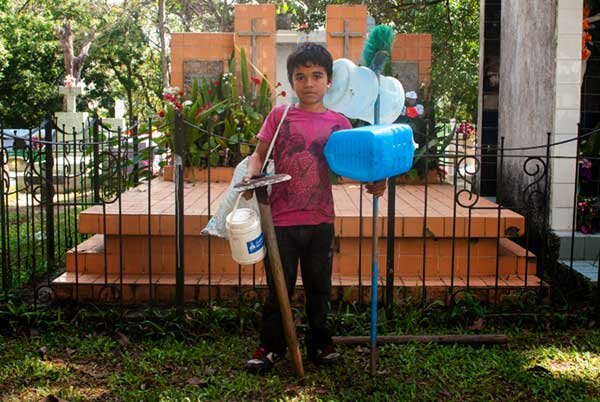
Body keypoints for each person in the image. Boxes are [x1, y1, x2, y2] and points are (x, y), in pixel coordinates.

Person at [242, 43, 386, 373]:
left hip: (321, 219)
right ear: (291, 81)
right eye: (301, 76)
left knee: (319, 288)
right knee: (280, 287)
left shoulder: (339, 123)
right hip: (279, 220)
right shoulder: (279, 117)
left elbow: (352, 168)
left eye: (317, 76)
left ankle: (321, 343)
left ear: (329, 80)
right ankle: (271, 347)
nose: (309, 83)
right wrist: (252, 174)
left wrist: (375, 180)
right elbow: (258, 154)